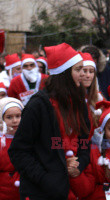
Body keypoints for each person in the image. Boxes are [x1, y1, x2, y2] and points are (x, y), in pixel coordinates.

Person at [8, 43, 91, 200]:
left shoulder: (80, 102)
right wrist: (46, 179)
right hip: (41, 192)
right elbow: (18, 151)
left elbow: (84, 142)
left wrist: (80, 162)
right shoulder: (38, 105)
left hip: (74, 189)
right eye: (78, 69)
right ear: (64, 73)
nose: (83, 74)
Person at [0, 97, 23, 200]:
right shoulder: (1, 142)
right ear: (2, 119)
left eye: (18, 116)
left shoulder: (31, 138)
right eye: (9, 117)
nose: (15, 121)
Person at [79, 52, 104, 131]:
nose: (88, 75)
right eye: (84, 71)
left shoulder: (99, 99)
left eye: (91, 71)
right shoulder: (70, 98)